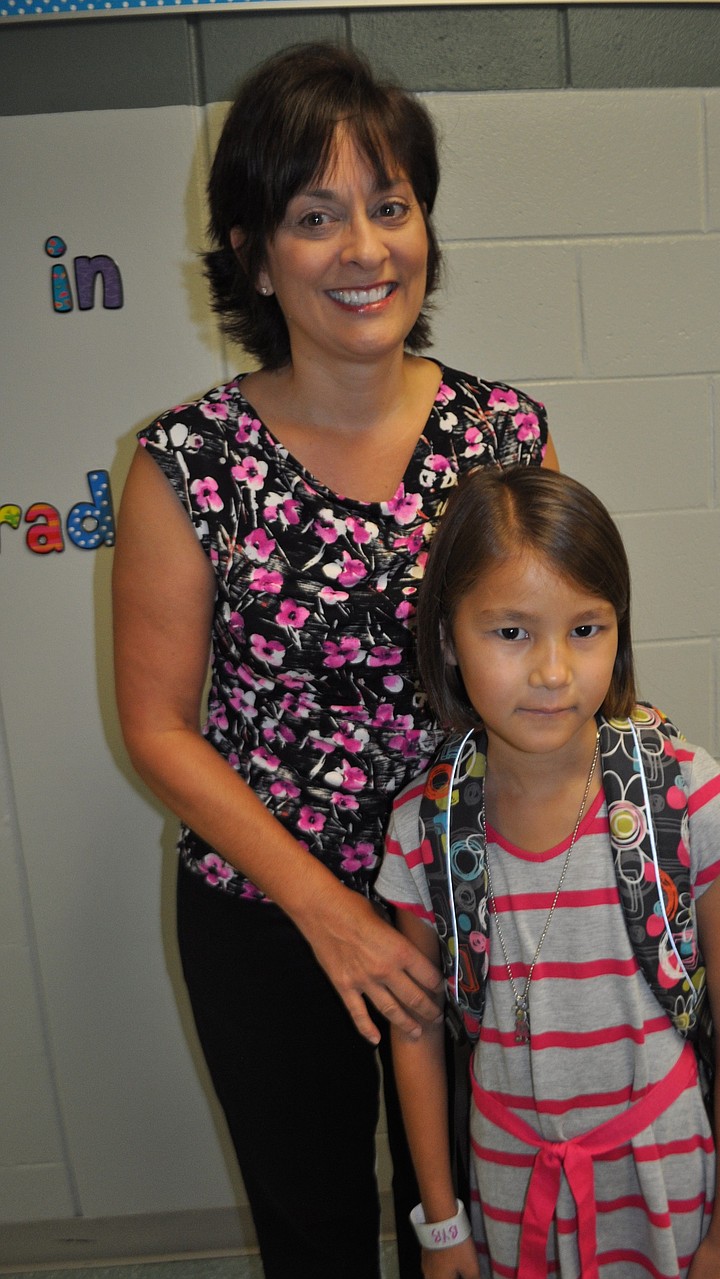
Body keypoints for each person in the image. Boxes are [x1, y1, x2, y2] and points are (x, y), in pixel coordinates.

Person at [112, 42, 557, 1279]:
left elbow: (553, 673)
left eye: (389, 204)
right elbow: (157, 726)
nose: (365, 248)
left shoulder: (503, 434)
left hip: (479, 896)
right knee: (313, 1231)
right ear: (253, 253)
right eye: (315, 216)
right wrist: (333, 913)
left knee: (475, 1222)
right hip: (267, 916)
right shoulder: (182, 464)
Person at [376, 466, 720, 1279]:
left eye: (586, 629)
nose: (554, 670)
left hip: (665, 1177)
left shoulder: (688, 797)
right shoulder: (425, 829)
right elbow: (414, 1031)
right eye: (511, 632)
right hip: (509, 1181)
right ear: (449, 639)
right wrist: (442, 1225)